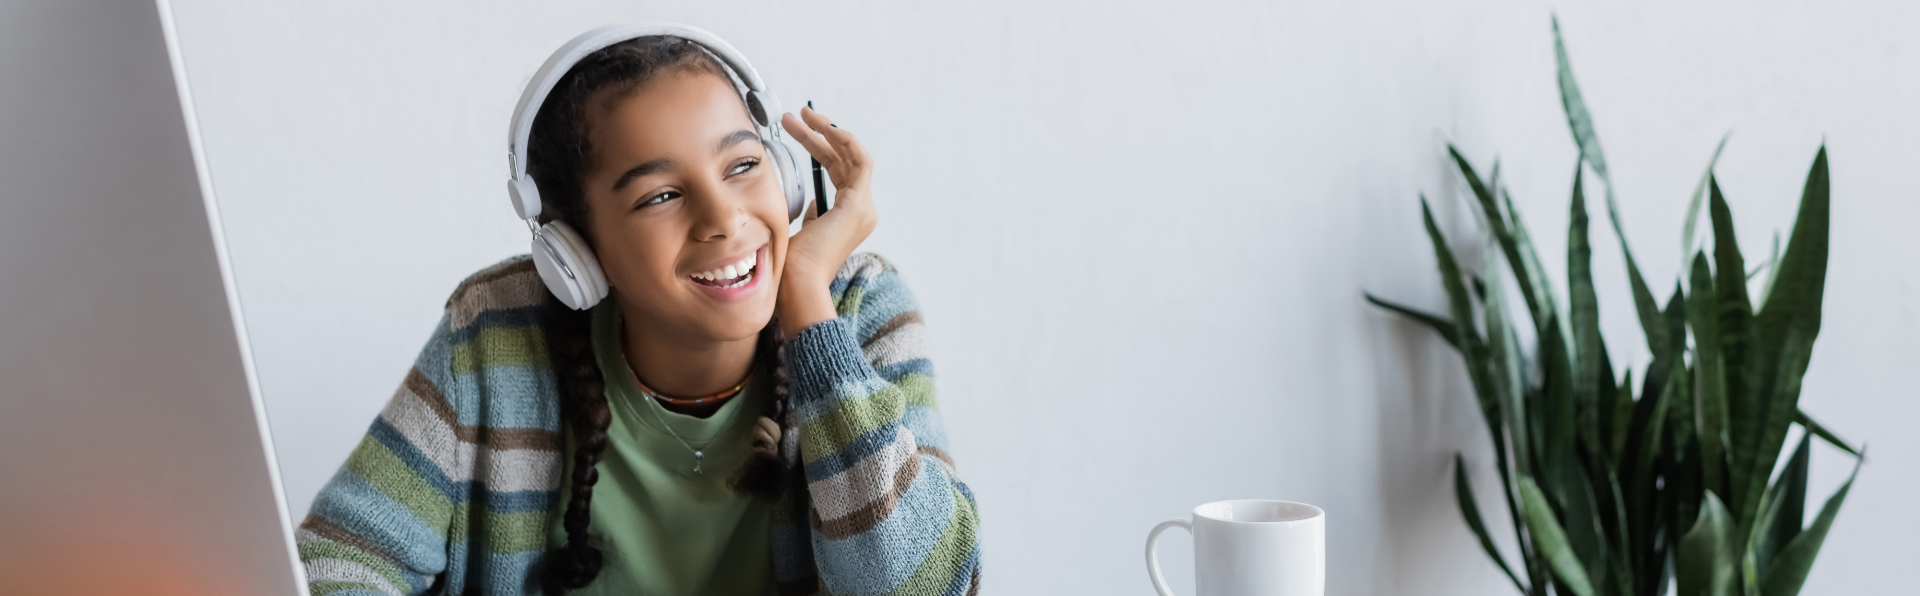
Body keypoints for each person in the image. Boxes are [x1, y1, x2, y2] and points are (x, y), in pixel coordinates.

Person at [293, 27, 980, 596]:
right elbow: (335, 568)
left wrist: (807, 302)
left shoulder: (858, 311)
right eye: (659, 197)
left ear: (789, 179)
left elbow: (918, 586)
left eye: (742, 166)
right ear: (578, 254)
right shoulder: (494, 335)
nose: (724, 219)